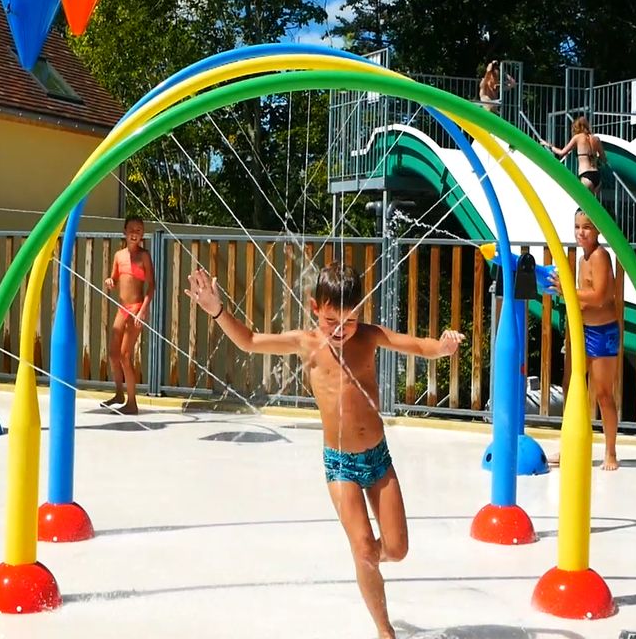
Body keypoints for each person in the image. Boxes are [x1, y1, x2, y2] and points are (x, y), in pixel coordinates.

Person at [186, 263, 464, 639]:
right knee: (365, 549)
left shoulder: (368, 336)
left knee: (396, 550)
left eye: (348, 321)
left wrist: (442, 348)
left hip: (378, 458)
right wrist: (217, 310)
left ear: (360, 314)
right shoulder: (306, 342)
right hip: (340, 465)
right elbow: (250, 341)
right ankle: (385, 631)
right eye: (331, 319)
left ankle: (367, 559)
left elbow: (415, 345)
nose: (339, 329)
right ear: (315, 306)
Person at [550, 209, 621, 471]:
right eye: (577, 227)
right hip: (583, 332)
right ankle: (570, 446)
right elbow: (582, 298)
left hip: (603, 332)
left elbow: (601, 296)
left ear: (598, 230)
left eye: (587, 227)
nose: (581, 232)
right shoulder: (582, 259)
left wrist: (568, 288)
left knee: (603, 394)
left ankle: (611, 451)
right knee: (571, 388)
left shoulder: (601, 256)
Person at [101, 216, 154, 415]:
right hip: (121, 308)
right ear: (124, 231)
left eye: (139, 230)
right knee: (114, 355)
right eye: (131, 229)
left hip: (136, 308)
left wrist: (143, 310)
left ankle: (132, 403)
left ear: (142, 234)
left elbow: (152, 286)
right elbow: (114, 278)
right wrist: (109, 281)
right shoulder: (118, 255)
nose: (135, 233)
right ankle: (119, 394)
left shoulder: (144, 256)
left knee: (125, 356)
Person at [542, 116, 608, 196]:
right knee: (590, 206)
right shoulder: (596, 139)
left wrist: (549, 146)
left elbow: (562, 152)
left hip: (586, 174)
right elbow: (604, 159)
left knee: (582, 205)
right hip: (597, 176)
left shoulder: (577, 137)